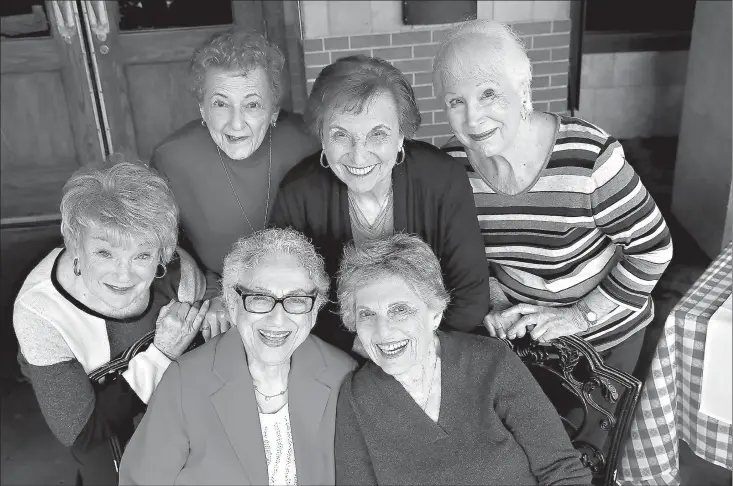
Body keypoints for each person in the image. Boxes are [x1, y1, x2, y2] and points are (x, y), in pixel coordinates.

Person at [433, 20, 673, 377]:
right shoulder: (452, 165)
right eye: (456, 101)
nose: (473, 117)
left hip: (604, 339)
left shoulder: (587, 158)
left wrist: (579, 316)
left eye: (488, 94)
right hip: (524, 340)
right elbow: (466, 253)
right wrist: (494, 301)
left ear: (522, 90)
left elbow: (653, 249)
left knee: (594, 433)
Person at [270, 55, 489, 357]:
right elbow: (291, 297)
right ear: (321, 134)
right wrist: (357, 345)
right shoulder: (298, 193)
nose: (359, 157)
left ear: (401, 135)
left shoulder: (442, 178)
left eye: (378, 134)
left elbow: (470, 297)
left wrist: (413, 351)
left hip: (436, 348)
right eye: (340, 135)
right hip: (341, 353)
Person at [333, 234, 592, 485]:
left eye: (400, 310)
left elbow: (562, 470)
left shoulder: (490, 362)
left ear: (434, 313)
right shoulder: (357, 396)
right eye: (366, 314)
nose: (383, 331)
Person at [13, 161, 211, 485]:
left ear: (162, 253)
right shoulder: (40, 312)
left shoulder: (178, 275)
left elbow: (203, 372)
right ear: (76, 245)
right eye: (105, 253)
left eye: (142, 256)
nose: (124, 275)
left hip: (166, 403)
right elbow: (83, 431)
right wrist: (161, 353)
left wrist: (214, 305)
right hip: (100, 428)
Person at [119, 228, 356, 485]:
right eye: (259, 298)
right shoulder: (185, 381)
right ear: (232, 304)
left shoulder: (342, 376)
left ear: (315, 309)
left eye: (297, 299)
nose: (278, 319)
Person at [151, 28, 320, 335]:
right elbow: (170, 250)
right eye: (220, 103)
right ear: (202, 109)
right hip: (223, 303)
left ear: (273, 112)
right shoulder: (173, 159)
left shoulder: (308, 145)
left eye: (252, 104)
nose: (236, 122)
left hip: (304, 298)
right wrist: (216, 294)